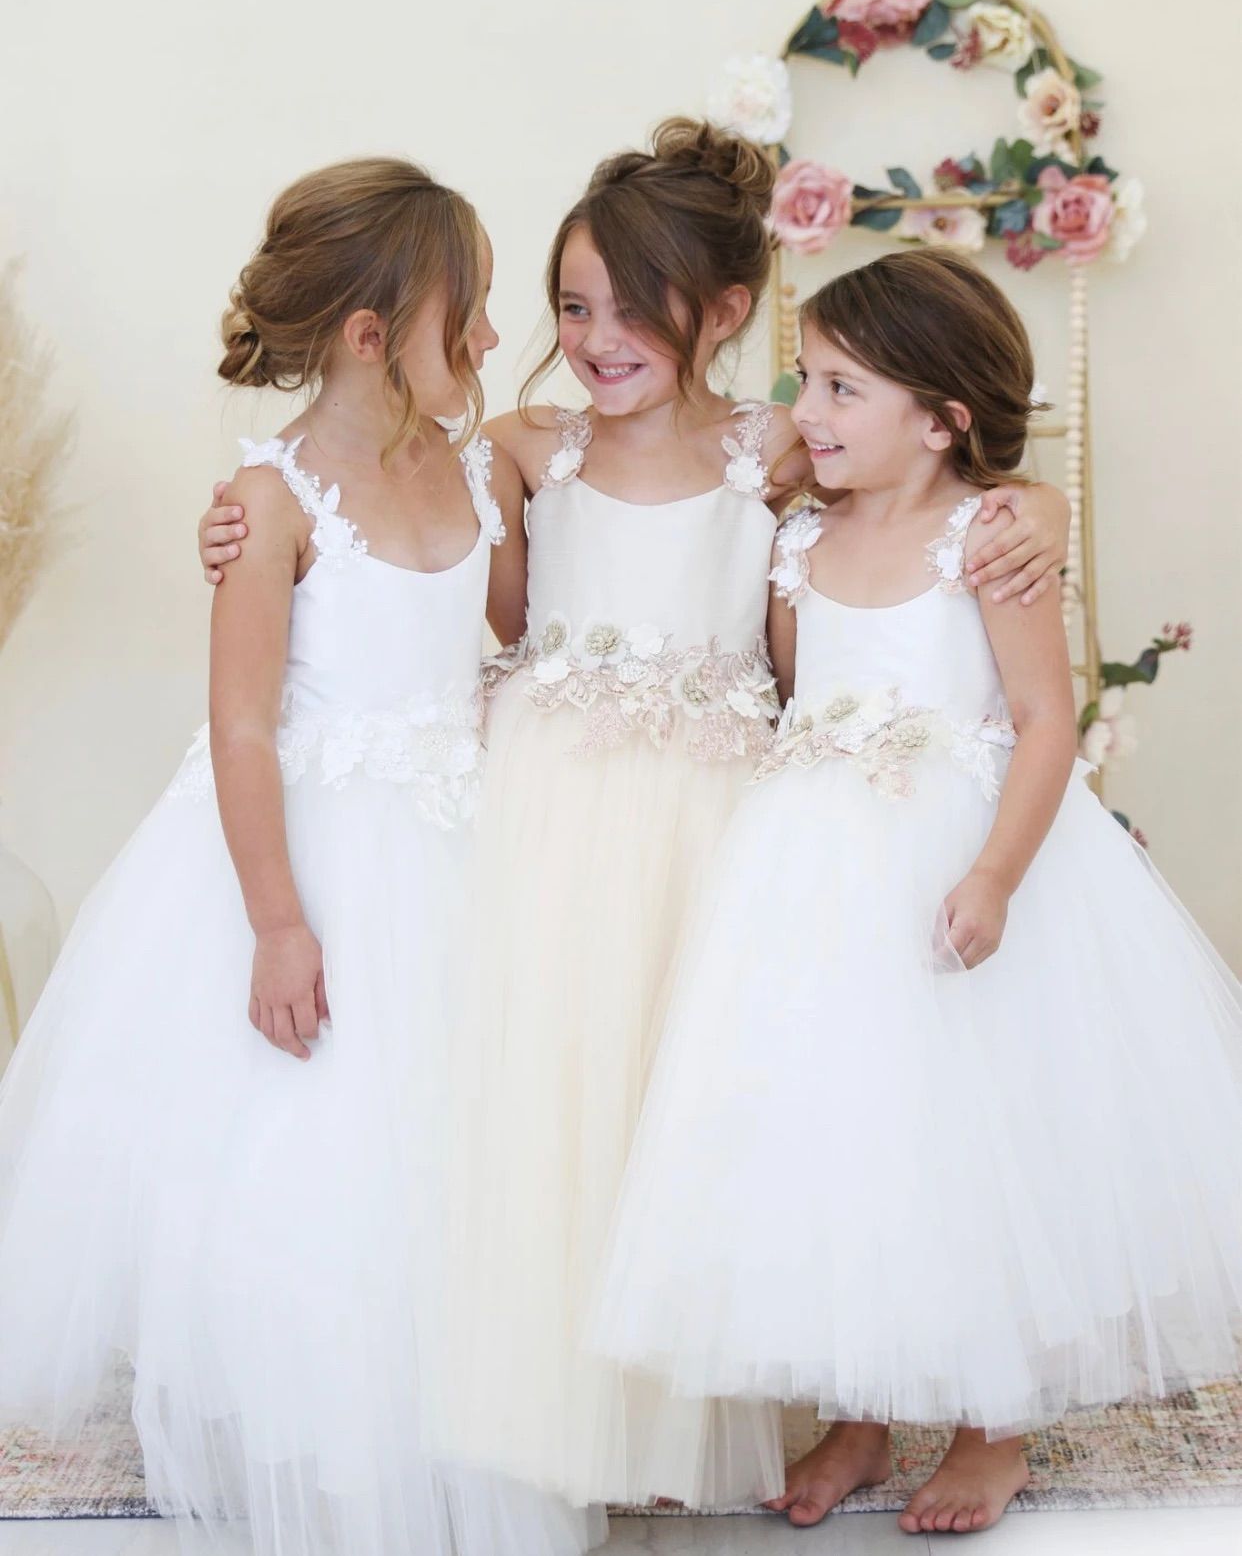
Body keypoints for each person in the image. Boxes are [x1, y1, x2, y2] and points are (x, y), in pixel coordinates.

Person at [197, 135, 1070, 1512]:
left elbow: (924, 473)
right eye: (570, 305)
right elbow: (381, 495)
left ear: (724, 313)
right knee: (565, 1108)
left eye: (629, 307)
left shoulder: (773, 444)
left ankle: (758, 1408)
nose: (593, 339)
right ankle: (584, 1429)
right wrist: (248, 520)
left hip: (718, 824)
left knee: (719, 1111)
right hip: (547, 816)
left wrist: (1045, 513)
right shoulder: (521, 450)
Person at [588, 246, 1242, 1536]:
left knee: (972, 1138)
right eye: (808, 383)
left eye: (841, 391)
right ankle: (860, 1409)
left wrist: (995, 871)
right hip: (811, 874)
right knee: (839, 1137)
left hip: (960, 862)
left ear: (941, 421)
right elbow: (794, 705)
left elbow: (1049, 721)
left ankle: (993, 1430)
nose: (808, 414)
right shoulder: (797, 544)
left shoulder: (985, 540)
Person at [0, 159, 599, 1556]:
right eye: (473, 315)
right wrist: (277, 920)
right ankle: (322, 1428)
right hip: (311, 853)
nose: (497, 340)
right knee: (321, 1149)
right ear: (371, 334)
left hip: (458, 839)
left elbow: (537, 595)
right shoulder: (269, 498)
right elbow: (241, 724)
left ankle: (467, 1401)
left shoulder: (482, 458)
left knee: (465, 1146)